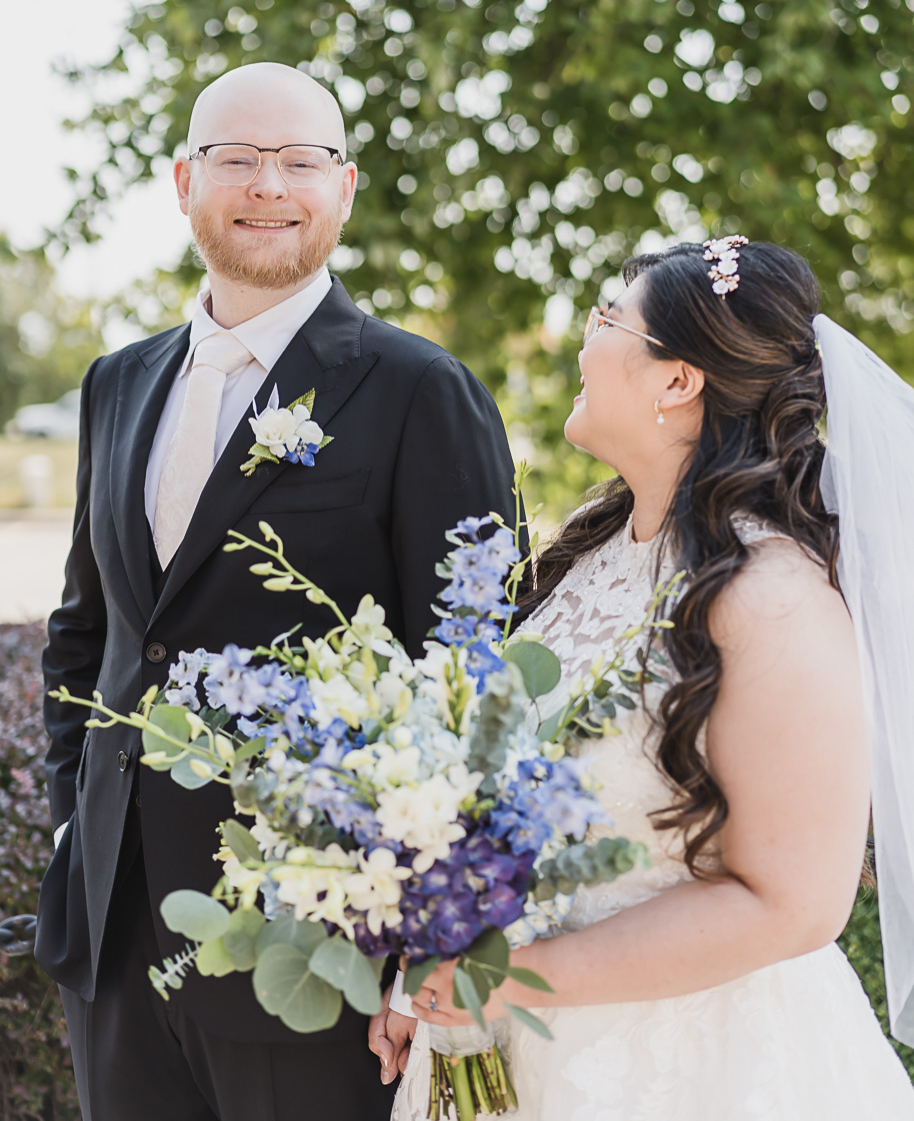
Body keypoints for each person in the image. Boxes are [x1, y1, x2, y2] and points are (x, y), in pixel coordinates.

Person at [35, 61, 520, 1121]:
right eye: (238, 159)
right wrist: (77, 822)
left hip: (311, 947)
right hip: (116, 936)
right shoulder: (119, 382)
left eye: (300, 160)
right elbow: (90, 633)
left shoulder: (418, 391)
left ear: (342, 187)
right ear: (182, 180)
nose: (268, 185)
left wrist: (435, 941)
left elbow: (473, 683)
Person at [388, 238, 914, 1119]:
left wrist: (509, 978)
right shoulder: (602, 553)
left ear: (677, 380)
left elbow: (793, 903)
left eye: (606, 320)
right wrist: (434, 977)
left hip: (694, 1068)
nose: (583, 343)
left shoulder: (771, 598)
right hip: (515, 1046)